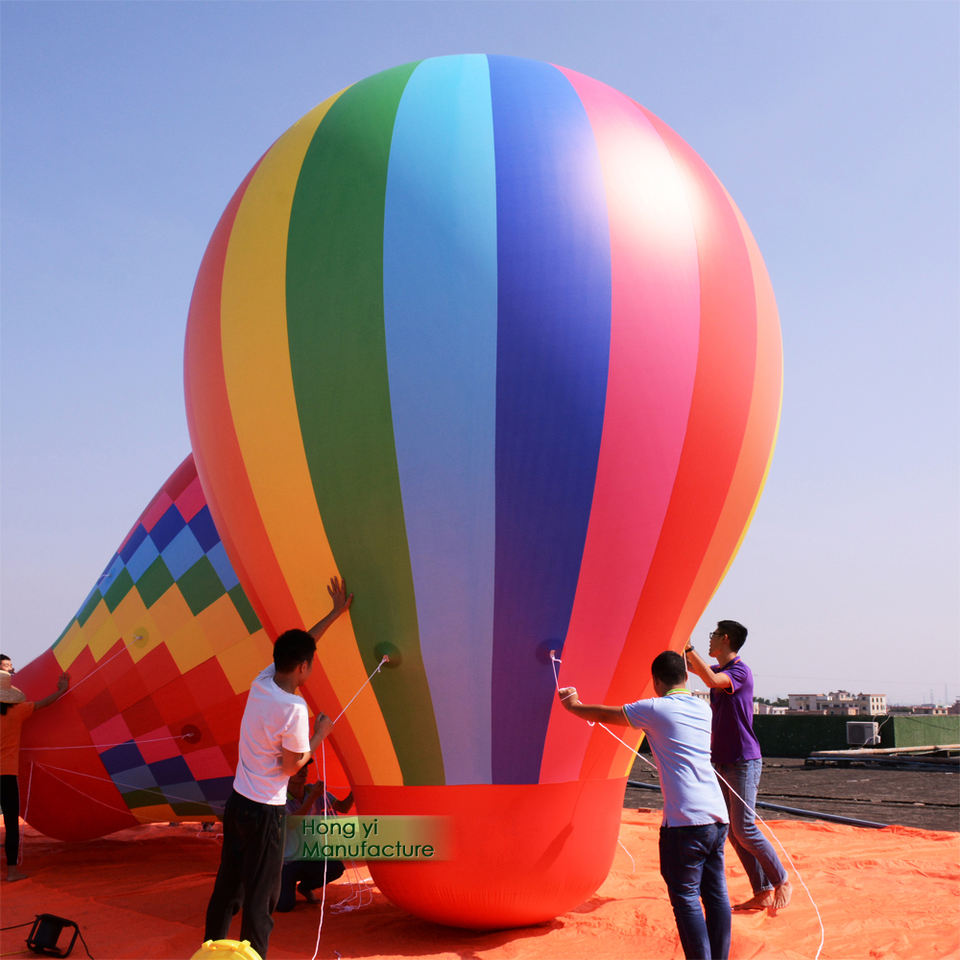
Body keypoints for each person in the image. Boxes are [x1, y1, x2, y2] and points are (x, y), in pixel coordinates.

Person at [203, 576, 352, 958]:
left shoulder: (263, 681)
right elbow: (291, 767)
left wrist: (334, 614)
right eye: (310, 664)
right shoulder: (293, 709)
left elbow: (302, 643)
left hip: (237, 803)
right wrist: (320, 734)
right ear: (303, 667)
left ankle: (209, 950)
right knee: (262, 898)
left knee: (228, 886)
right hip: (265, 813)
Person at [558, 651, 731, 960]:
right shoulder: (703, 708)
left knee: (686, 898)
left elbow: (607, 714)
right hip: (717, 817)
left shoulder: (654, 708)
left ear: (656, 682)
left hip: (685, 822)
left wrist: (573, 706)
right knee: (716, 896)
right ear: (686, 677)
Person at [684, 621, 792, 911]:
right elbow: (692, 667)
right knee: (733, 831)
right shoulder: (719, 670)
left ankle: (781, 880)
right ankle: (762, 891)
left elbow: (709, 679)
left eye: (713, 635)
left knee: (744, 828)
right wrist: (677, 640)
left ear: (725, 639)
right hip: (722, 760)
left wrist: (689, 647)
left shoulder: (739, 672)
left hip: (743, 760)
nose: (709, 640)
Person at [1, 662, 70, 882]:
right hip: (6, 774)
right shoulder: (18, 711)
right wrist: (61, 690)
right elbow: (44, 704)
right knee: (11, 824)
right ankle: (12, 872)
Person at [276, 760, 353, 912]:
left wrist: (355, 791)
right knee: (284, 907)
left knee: (335, 867)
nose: (303, 770)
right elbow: (292, 823)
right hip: (286, 863)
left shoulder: (313, 791)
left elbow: (343, 807)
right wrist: (312, 797)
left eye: (305, 767)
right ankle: (275, 886)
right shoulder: (278, 797)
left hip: (309, 857)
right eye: (298, 767)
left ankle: (305, 887)